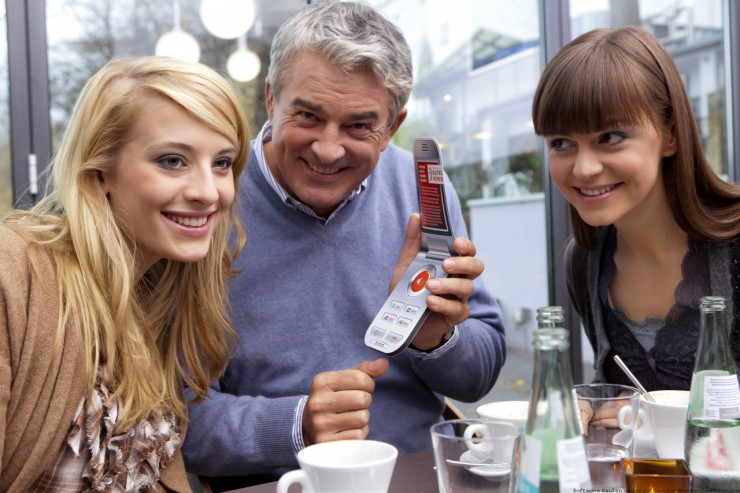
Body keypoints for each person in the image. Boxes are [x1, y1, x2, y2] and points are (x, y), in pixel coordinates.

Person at [182, 1, 506, 490]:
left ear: (393, 126)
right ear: (271, 101)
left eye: (358, 126)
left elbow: (478, 376)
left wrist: (434, 339)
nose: (328, 149)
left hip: (414, 475)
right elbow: (171, 423)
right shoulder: (208, 201)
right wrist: (297, 424)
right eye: (309, 116)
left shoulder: (422, 189)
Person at [0, 56, 250, 492]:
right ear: (100, 172)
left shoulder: (155, 298)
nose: (209, 192)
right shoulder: (15, 272)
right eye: (173, 161)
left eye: (222, 163)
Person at [532, 26, 740, 402]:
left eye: (610, 137)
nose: (583, 169)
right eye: (561, 143)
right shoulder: (583, 261)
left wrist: (659, 422)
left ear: (670, 135)